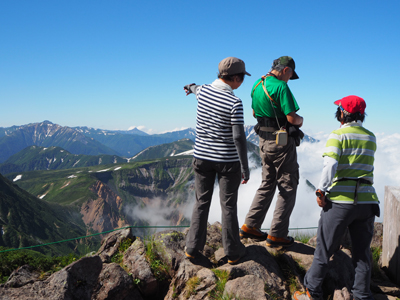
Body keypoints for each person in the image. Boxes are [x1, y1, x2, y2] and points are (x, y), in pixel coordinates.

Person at [293, 95, 380, 300]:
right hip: (367, 202)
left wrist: (321, 191)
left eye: (339, 109)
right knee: (362, 255)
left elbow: (330, 165)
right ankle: (362, 296)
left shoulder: (337, 135)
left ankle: (311, 293)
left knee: (323, 250)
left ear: (343, 113)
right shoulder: (371, 136)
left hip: (341, 201)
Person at [183, 57, 251, 264]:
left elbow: (194, 88)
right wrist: (245, 168)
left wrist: (189, 86)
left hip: (201, 158)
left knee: (201, 202)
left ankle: (192, 248)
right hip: (227, 162)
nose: (242, 83)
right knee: (228, 206)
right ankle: (232, 252)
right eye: (242, 79)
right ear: (236, 78)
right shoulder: (234, 102)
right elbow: (238, 137)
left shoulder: (202, 91)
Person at [239, 56, 303, 247]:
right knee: (288, 184)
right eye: (290, 75)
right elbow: (292, 119)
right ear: (285, 70)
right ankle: (277, 234)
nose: (290, 79)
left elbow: (253, 113)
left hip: (263, 141)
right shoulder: (281, 87)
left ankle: (250, 225)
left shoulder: (257, 84)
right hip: (281, 143)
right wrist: (301, 120)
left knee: (267, 182)